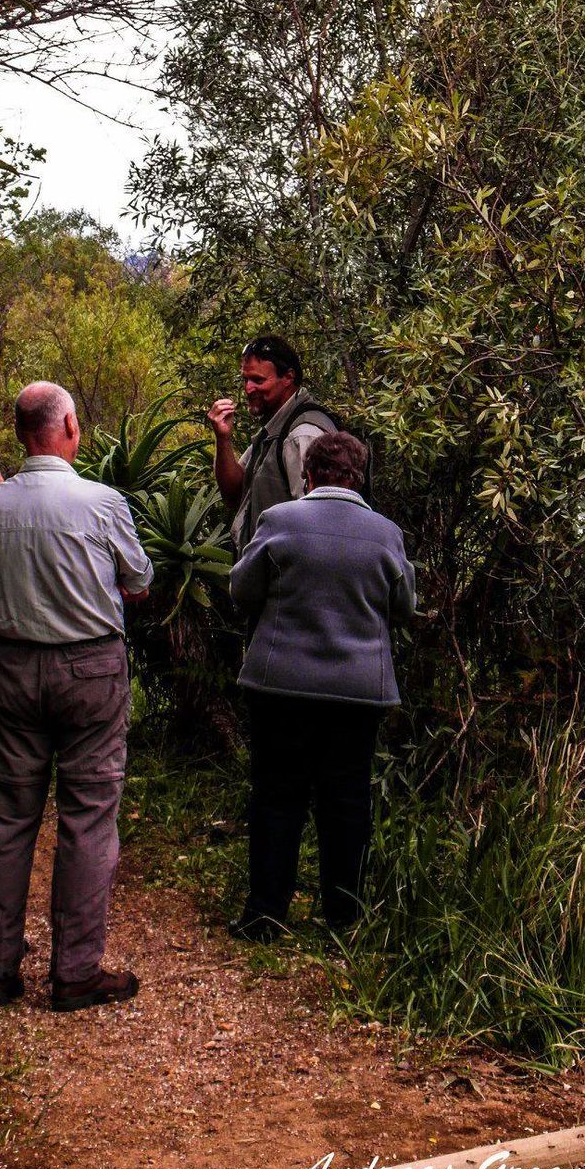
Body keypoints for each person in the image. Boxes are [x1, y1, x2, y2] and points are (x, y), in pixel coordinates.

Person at [0, 381, 153, 1011]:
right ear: (69, 425)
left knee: (6, 816)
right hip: (90, 669)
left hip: (12, 666)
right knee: (89, 813)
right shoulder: (102, 502)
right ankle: (75, 970)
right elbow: (138, 579)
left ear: (21, 433)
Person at [226, 430, 415, 941]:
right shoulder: (386, 534)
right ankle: (343, 918)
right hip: (357, 692)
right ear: (359, 478)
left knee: (276, 796)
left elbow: (242, 591)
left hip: (280, 685)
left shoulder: (280, 521)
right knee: (348, 801)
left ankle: (265, 915)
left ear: (308, 475)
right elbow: (404, 608)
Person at [208, 336, 342, 554]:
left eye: (258, 380)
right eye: (245, 380)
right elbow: (233, 493)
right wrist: (223, 439)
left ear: (288, 377)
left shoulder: (302, 435)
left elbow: (321, 525)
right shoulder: (275, 429)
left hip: (290, 581)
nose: (248, 388)